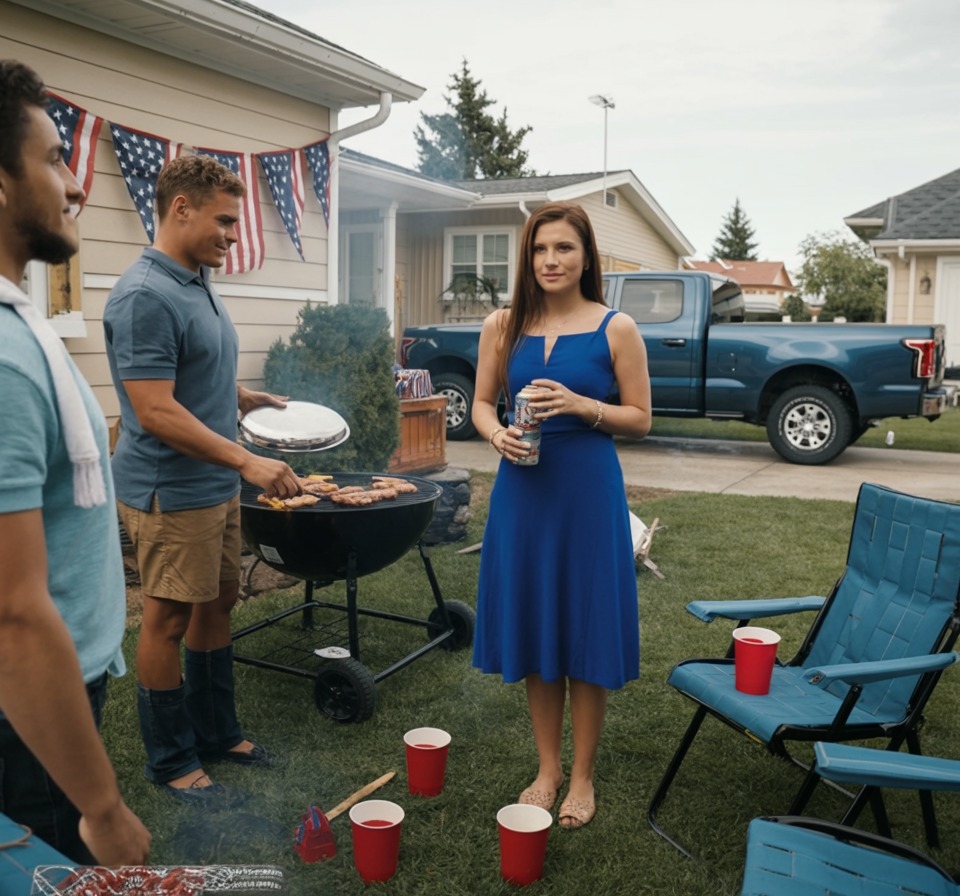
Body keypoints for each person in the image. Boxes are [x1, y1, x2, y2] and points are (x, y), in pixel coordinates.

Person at [103, 154, 302, 805]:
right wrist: (248, 460)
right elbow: (154, 408)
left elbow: (184, 375)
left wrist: (241, 397)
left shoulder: (193, 279)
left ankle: (218, 734)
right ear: (180, 208)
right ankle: (170, 759)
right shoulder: (143, 296)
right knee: (165, 618)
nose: (233, 234)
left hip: (212, 484)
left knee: (218, 604)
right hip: (174, 491)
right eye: (224, 221)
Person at [0, 59, 151, 864]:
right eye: (55, 158)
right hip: (28, 722)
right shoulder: (6, 356)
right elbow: (13, 618)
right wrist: (100, 807)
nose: (76, 183)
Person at [471, 201, 652, 828]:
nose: (551, 260)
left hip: (586, 494)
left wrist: (580, 404)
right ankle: (547, 768)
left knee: (583, 628)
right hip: (523, 493)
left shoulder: (615, 327)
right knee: (538, 625)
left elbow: (640, 418)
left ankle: (582, 777)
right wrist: (496, 436)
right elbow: (481, 405)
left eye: (564, 249)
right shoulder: (503, 325)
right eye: (541, 249)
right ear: (528, 256)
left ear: (585, 256)